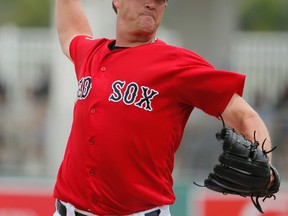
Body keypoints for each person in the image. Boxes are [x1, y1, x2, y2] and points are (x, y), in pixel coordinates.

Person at [53, 0, 276, 215]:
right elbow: (70, 32)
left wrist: (267, 168)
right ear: (117, 1)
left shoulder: (177, 63)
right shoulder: (92, 53)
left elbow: (244, 115)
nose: (151, 4)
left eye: (160, 0)